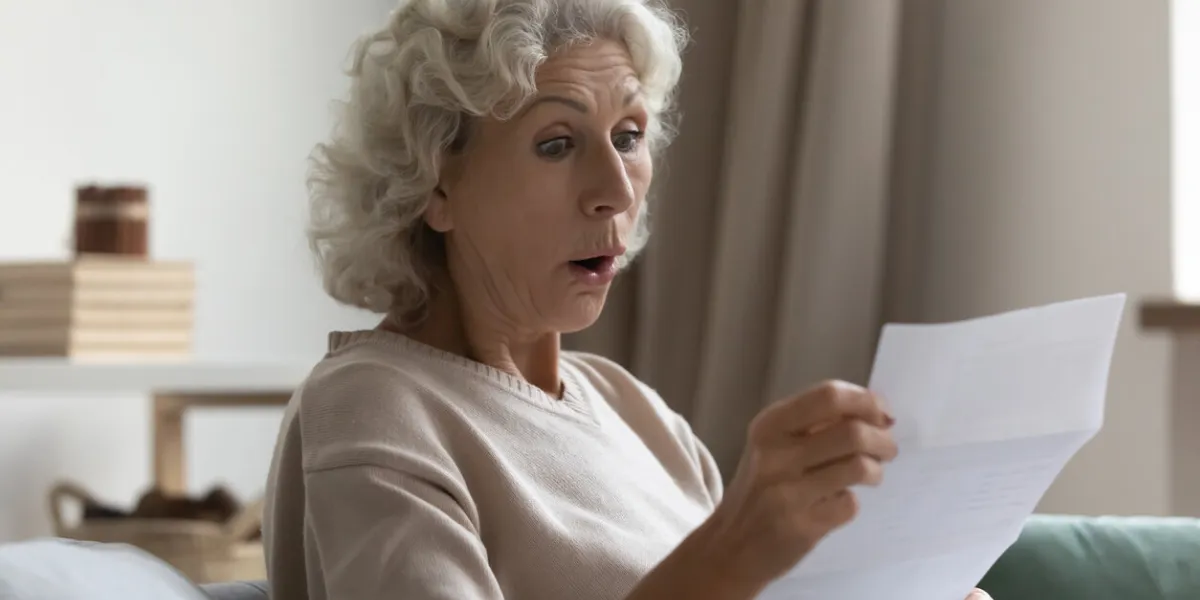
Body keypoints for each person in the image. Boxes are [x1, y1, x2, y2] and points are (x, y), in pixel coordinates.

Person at [262, 1, 992, 599]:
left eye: (630, 136)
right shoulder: (373, 409)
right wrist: (731, 554)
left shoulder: (630, 408)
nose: (616, 189)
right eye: (556, 143)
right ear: (436, 183)